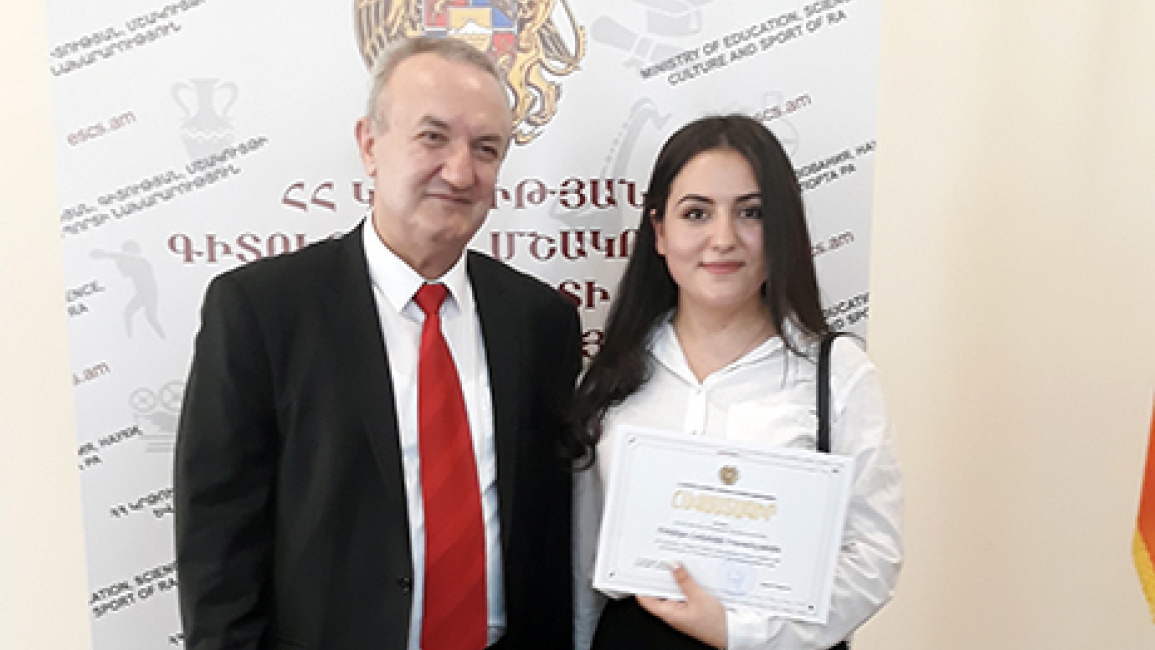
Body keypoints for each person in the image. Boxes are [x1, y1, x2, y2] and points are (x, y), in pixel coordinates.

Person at [174, 37, 582, 650]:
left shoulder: (540, 321)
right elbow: (217, 544)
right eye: (433, 137)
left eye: (486, 148)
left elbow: (547, 533)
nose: (460, 172)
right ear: (370, 145)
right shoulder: (262, 311)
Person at [571, 115, 902, 650]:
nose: (723, 239)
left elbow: (873, 556)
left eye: (751, 213)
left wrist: (743, 633)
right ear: (660, 232)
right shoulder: (611, 376)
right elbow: (582, 559)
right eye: (696, 213)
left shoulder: (835, 373)